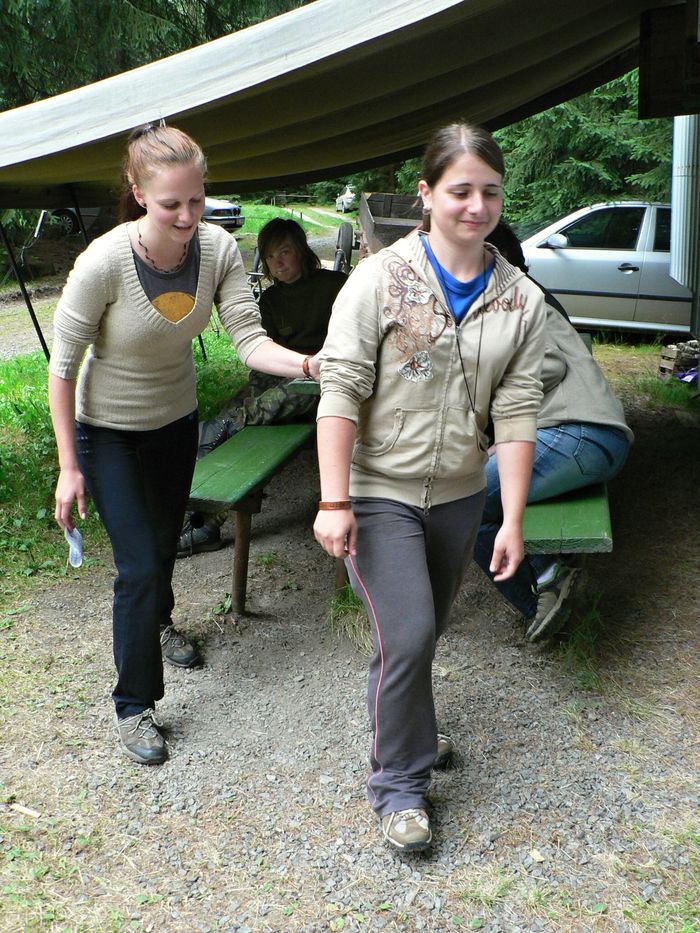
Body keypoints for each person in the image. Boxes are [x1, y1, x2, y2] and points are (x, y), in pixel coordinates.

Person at [48, 124, 319, 766]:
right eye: (171, 203)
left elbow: (248, 340)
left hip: (174, 424)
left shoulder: (218, 249)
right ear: (139, 193)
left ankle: (160, 623)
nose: (187, 215)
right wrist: (67, 465)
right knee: (139, 565)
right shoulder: (104, 262)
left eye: (196, 200)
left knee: (164, 543)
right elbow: (62, 367)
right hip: (107, 432)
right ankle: (134, 705)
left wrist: (311, 364)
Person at [313, 123, 547, 852]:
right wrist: (332, 500)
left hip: (457, 493)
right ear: (426, 193)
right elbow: (340, 389)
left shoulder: (520, 298)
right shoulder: (380, 279)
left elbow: (517, 412)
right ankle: (399, 786)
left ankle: (408, 726)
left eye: (490, 192)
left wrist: (512, 518)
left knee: (418, 633)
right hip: (377, 488)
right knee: (409, 632)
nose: (477, 206)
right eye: (460, 191)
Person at [472, 271, 633, 643]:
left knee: (467, 499)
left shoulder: (507, 301)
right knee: (478, 493)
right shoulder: (509, 296)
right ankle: (549, 592)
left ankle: (547, 593)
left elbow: (547, 366)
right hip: (586, 436)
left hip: (576, 432)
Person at [178, 217, 347, 556]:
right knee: (240, 406)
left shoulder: (335, 286)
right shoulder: (269, 301)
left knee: (273, 403)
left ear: (301, 251)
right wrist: (256, 390)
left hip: (328, 382)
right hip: (287, 375)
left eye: (284, 252)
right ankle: (202, 520)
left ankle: (226, 427)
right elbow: (264, 359)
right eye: (270, 257)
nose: (278, 263)